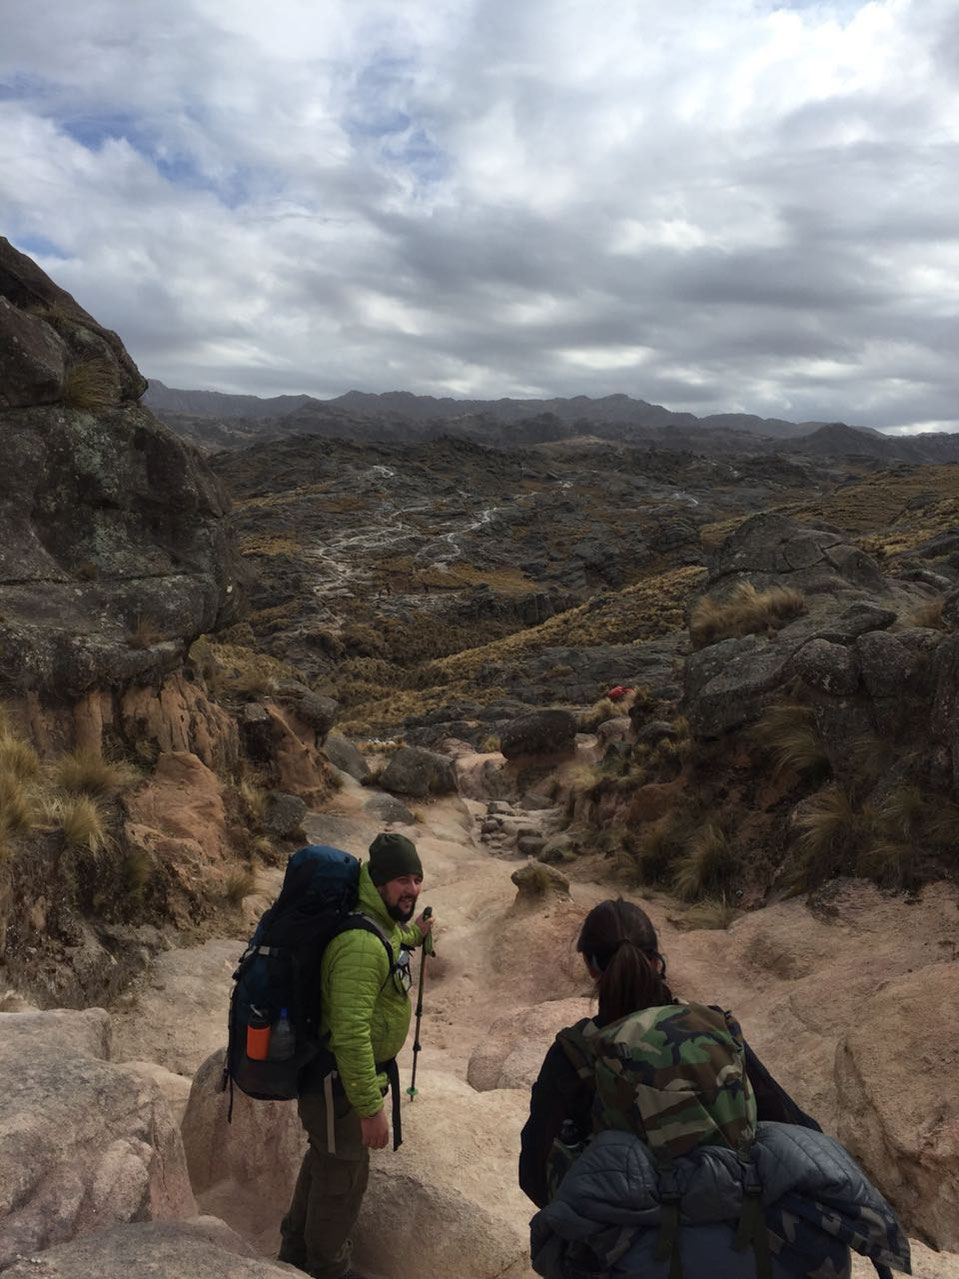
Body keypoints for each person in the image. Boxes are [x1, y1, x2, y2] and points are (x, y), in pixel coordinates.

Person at [521, 898, 909, 1279]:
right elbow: (793, 1121)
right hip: (755, 1243)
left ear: (590, 966)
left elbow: (534, 1176)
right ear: (657, 959)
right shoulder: (713, 1027)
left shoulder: (574, 1052)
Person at [279, 832, 435, 1279]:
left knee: (327, 1158)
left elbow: (391, 937)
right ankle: (328, 1266)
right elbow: (350, 1036)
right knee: (344, 1175)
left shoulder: (375, 922)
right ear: (380, 881)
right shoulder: (361, 946)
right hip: (337, 1083)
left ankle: (293, 1251)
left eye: (418, 879)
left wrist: (415, 934)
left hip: (334, 1081)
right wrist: (369, 1109)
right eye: (403, 879)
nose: (414, 889)